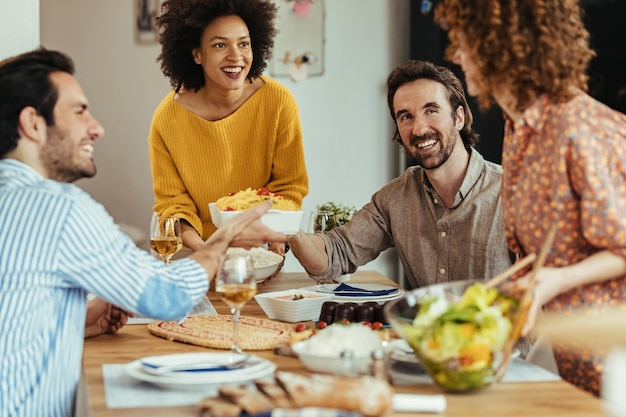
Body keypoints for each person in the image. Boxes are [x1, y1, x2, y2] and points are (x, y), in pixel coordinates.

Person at [0, 48, 286, 416]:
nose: (96, 127)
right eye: (79, 111)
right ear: (33, 123)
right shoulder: (59, 208)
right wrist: (224, 239)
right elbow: (167, 297)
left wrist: (76, 320)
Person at [434, 0, 626, 396]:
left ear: (501, 46)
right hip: (564, 351)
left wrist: (555, 280)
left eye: (467, 42)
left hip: (609, 356)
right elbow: (543, 252)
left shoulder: (580, 127)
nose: (457, 54)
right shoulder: (519, 127)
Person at [287, 60, 512, 289]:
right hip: (420, 325)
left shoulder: (510, 193)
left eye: (431, 111)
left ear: (459, 117)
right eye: (406, 117)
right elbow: (336, 253)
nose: (419, 129)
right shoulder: (395, 198)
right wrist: (286, 229)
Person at [149, 0, 309, 255]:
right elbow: (172, 203)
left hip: (262, 252)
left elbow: (290, 187)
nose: (236, 56)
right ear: (196, 54)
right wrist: (206, 252)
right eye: (220, 45)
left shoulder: (278, 102)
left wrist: (274, 239)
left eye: (243, 43)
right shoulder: (166, 118)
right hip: (198, 256)